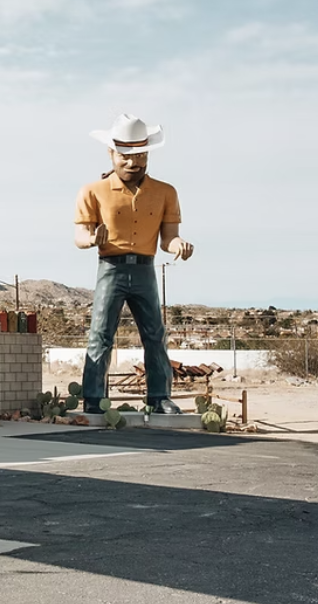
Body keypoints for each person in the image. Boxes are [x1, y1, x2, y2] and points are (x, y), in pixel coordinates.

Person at [73, 114, 194, 414]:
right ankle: (92, 398)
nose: (132, 163)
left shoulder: (166, 192)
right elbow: (80, 234)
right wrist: (91, 240)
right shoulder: (93, 191)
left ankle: (158, 396)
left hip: (145, 268)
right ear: (111, 154)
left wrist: (178, 245)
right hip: (110, 268)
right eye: (125, 156)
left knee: (154, 334)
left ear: (147, 154)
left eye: (139, 155)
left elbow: (168, 238)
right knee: (100, 333)